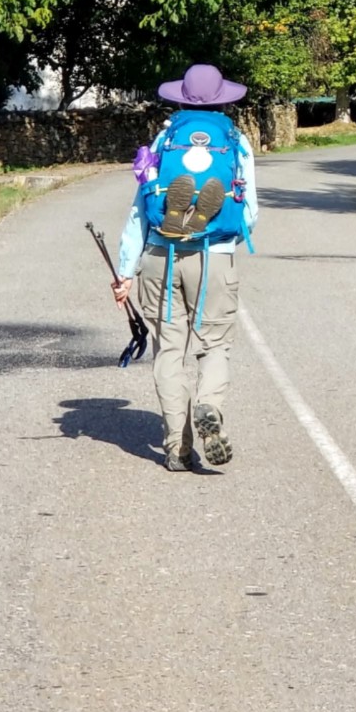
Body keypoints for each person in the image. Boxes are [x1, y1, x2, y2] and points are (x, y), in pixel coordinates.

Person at [115, 63, 258, 472]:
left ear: (179, 97)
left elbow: (140, 210)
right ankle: (209, 405)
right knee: (214, 343)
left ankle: (177, 446)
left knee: (170, 351)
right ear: (224, 98)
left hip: (161, 254)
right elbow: (249, 214)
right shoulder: (235, 141)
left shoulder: (164, 139)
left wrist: (126, 272)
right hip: (214, 255)